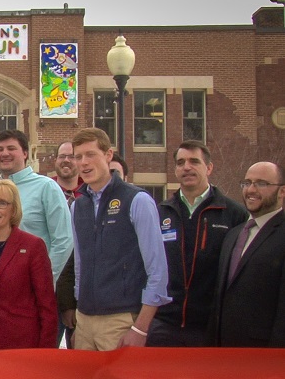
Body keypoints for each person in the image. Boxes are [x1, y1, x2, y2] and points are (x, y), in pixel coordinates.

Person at [71, 128, 170, 351]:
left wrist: (141, 328)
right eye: (78, 157)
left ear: (108, 155)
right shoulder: (78, 205)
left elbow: (158, 271)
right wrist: (81, 319)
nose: (84, 163)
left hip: (121, 319)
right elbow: (80, 266)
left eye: (91, 154)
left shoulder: (137, 200)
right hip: (85, 319)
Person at [149, 141, 247, 347]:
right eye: (180, 162)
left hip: (209, 327)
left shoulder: (234, 214)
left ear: (209, 167)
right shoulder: (161, 212)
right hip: (164, 324)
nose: (187, 167)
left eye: (194, 161)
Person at [0, 179, 57, 350]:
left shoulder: (33, 246)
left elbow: (47, 306)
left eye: (2, 203)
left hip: (20, 343)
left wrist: (45, 353)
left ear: (13, 209)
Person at [0, 129, 73, 284]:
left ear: (25, 153)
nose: (4, 154)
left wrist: (43, 278)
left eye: (11, 148)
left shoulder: (46, 187)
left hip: (31, 288)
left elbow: (64, 240)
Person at [210, 161, 285, 347]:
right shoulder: (233, 235)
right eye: (247, 183)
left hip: (264, 353)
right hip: (224, 350)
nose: (251, 189)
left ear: (282, 192)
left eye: (261, 183)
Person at [51, 141, 83, 348]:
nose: (66, 161)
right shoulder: (47, 191)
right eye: (62, 156)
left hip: (84, 296)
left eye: (72, 156)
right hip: (52, 291)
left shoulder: (90, 194)